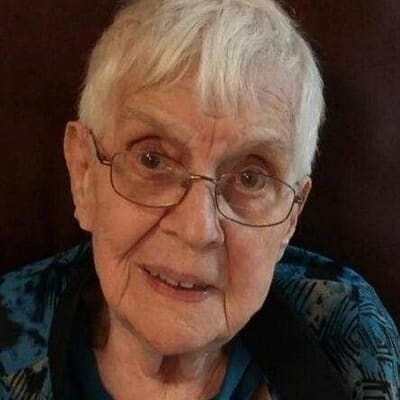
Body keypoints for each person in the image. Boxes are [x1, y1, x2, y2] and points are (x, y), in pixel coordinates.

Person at [1, 0, 399, 399]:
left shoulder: (348, 332)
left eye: (250, 178)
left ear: (291, 217)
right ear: (84, 173)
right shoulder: (8, 336)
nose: (197, 230)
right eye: (152, 160)